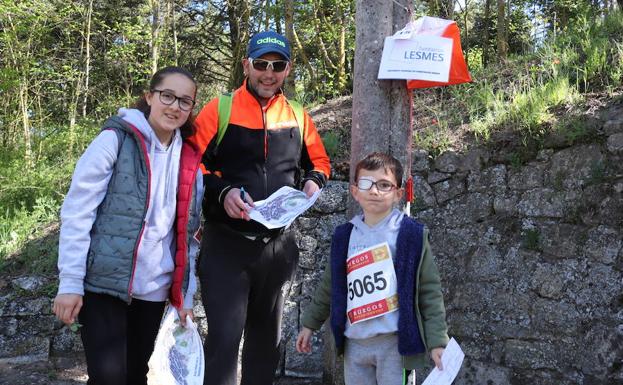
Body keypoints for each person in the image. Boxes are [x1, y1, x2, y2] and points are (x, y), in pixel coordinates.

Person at [190, 31, 330, 385]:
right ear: (246, 65)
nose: (269, 73)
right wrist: (222, 193)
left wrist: (314, 182)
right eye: (261, 64)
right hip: (227, 244)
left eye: (278, 65)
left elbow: (321, 163)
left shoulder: (298, 114)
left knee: (266, 342)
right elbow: (189, 163)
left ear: (288, 68)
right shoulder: (219, 109)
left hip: (278, 247)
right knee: (224, 339)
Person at [52, 66, 204, 385]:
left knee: (135, 375)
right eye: (167, 96)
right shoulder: (114, 140)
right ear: (149, 97)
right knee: (109, 377)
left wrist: (185, 297)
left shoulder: (190, 160)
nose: (175, 106)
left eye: (185, 101)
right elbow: (78, 212)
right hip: (104, 283)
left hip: (153, 290)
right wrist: (69, 283)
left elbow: (188, 236)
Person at [296, 152, 449, 385]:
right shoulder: (344, 236)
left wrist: (437, 342)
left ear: (398, 193)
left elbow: (429, 290)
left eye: (384, 185)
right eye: (366, 183)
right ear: (355, 191)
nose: (375, 191)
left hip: (395, 344)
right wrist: (310, 324)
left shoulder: (411, 235)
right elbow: (330, 286)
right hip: (355, 344)